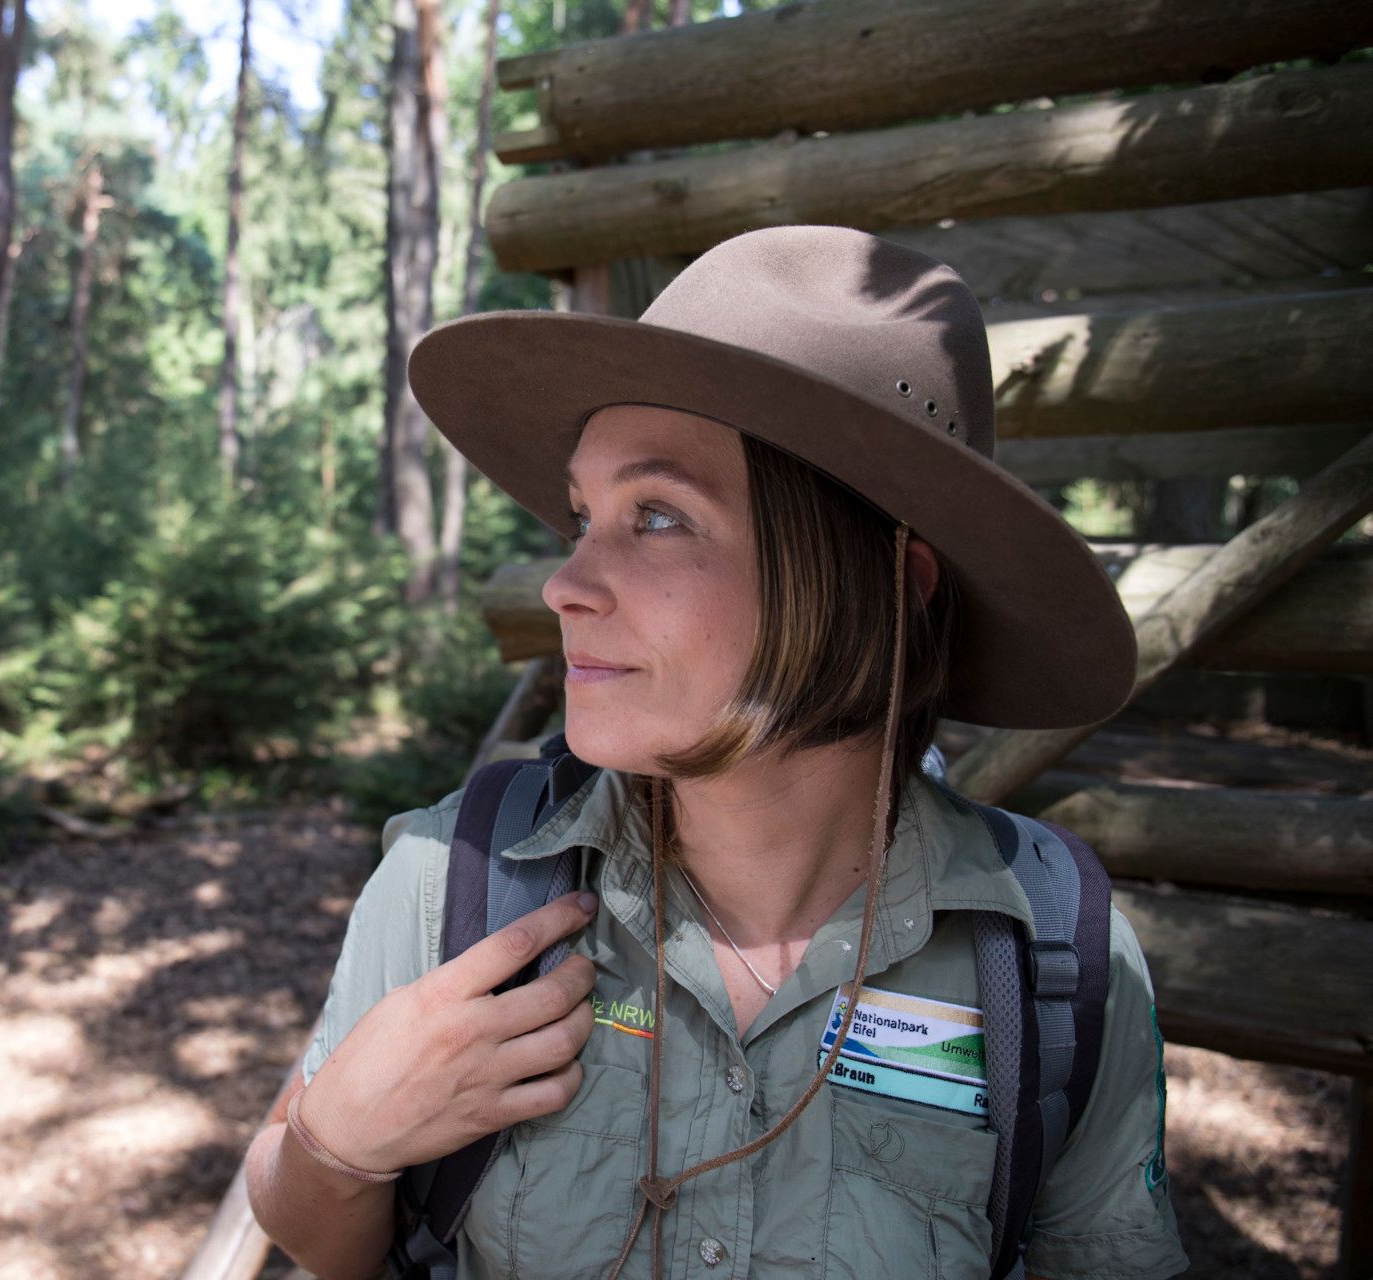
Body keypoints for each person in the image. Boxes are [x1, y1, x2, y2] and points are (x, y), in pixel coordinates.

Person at [244, 225, 1188, 1280]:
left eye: (655, 515)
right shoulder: (453, 884)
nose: (567, 584)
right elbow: (313, 1230)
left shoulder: (1058, 961)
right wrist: (338, 1144)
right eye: (580, 517)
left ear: (887, 587)